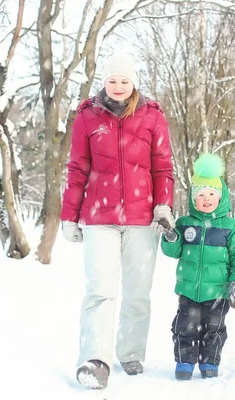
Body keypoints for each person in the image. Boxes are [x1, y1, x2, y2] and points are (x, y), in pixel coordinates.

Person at [60, 52, 175, 390]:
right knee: (100, 290)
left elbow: (163, 167)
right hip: (99, 216)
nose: (119, 86)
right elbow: (77, 168)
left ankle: (130, 351)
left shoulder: (153, 117)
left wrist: (164, 206)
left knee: (138, 292)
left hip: (143, 218)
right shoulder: (87, 117)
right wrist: (70, 215)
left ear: (134, 82)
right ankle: (95, 360)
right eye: (113, 80)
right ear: (104, 82)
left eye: (124, 80)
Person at [161, 154, 235, 381]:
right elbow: (174, 251)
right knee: (184, 327)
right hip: (189, 289)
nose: (206, 198)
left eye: (212, 194)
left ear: (221, 198)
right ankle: (184, 361)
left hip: (218, 292)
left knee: (214, 329)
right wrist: (171, 238)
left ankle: (210, 362)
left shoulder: (231, 228)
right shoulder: (185, 224)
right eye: (200, 194)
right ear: (193, 199)